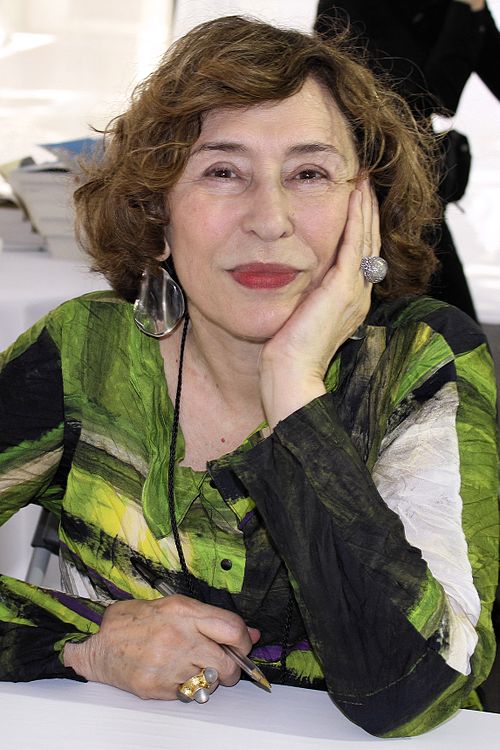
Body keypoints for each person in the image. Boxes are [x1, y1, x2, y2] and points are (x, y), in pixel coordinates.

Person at [0, 15, 498, 739]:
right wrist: (86, 641)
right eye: (223, 172)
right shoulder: (88, 351)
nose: (269, 220)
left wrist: (293, 383)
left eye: (309, 174)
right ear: (158, 212)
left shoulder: (421, 359)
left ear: (365, 208)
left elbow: (415, 690)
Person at [315, 0, 500, 321]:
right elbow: (431, 97)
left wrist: (472, 12)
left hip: (415, 185)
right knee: (375, 306)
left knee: (447, 319)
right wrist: (464, 13)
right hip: (370, 178)